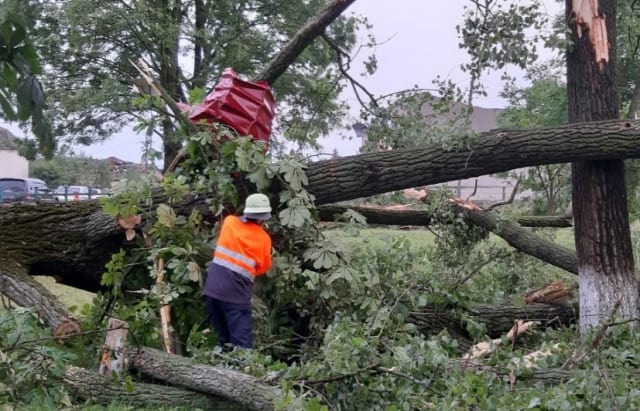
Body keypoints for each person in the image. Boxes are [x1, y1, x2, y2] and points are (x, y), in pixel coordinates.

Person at [203, 193, 272, 349]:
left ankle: (224, 370)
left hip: (212, 291)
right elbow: (263, 268)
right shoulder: (264, 239)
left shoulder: (229, 222)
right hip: (235, 296)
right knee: (242, 347)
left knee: (225, 341)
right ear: (263, 217)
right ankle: (243, 372)